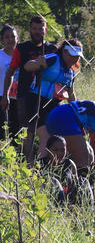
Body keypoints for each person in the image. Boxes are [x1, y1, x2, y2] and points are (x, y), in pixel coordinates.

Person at [2, 15, 57, 159]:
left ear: (45, 30)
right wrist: (6, 95)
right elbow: (10, 73)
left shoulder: (52, 49)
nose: (37, 32)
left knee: (49, 131)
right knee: (27, 132)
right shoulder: (21, 48)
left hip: (47, 98)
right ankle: (28, 164)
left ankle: (46, 163)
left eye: (40, 29)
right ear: (30, 29)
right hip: (25, 97)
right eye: (34, 28)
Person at [24, 37, 82, 160]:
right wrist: (37, 64)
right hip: (36, 101)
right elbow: (27, 66)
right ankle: (34, 165)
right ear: (64, 51)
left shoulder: (71, 73)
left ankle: (49, 165)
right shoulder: (53, 58)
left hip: (54, 106)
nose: (74, 58)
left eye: (77, 56)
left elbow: (71, 95)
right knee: (42, 136)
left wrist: (79, 114)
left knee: (55, 137)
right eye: (72, 55)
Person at [39, 134, 79, 205]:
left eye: (63, 150)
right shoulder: (39, 165)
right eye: (55, 150)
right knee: (53, 181)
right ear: (47, 149)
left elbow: (76, 186)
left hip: (69, 201)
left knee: (83, 181)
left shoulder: (70, 164)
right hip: (48, 202)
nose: (59, 153)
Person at [0, 24, 20, 144]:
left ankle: (16, 153)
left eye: (13, 36)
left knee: (16, 131)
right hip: (2, 96)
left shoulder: (23, 55)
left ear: (17, 38)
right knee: (3, 129)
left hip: (19, 97)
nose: (10, 40)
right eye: (7, 37)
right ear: (2, 40)